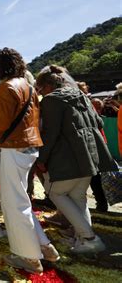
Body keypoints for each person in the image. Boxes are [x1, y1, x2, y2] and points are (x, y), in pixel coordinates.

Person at [0, 48, 59, 273]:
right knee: (21, 201)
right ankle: (44, 246)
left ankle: (29, 257)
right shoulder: (27, 86)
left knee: (13, 204)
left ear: (2, 66)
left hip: (13, 147)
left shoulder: (7, 87)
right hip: (29, 146)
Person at [35, 65, 117, 254]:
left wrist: (42, 157)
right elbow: (100, 122)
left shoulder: (51, 100)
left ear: (47, 86)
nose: (40, 93)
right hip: (90, 155)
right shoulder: (81, 95)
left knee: (55, 193)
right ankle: (83, 238)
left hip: (66, 157)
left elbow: (51, 134)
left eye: (40, 89)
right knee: (79, 198)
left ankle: (89, 238)